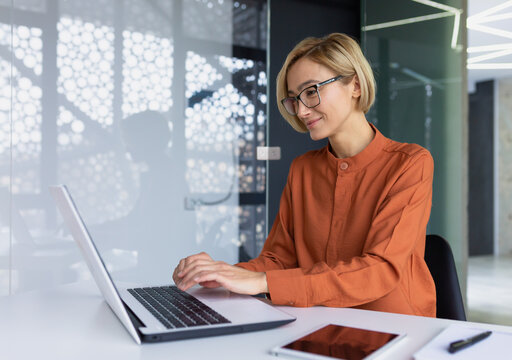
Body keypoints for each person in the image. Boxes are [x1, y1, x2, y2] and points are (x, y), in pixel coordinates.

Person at [172, 33, 436, 317]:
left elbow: (379, 270)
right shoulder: (303, 169)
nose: (300, 110)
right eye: (294, 99)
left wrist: (262, 281)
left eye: (311, 91)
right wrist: (223, 273)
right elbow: (279, 259)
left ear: (355, 85)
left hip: (394, 325)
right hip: (315, 320)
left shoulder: (410, 164)